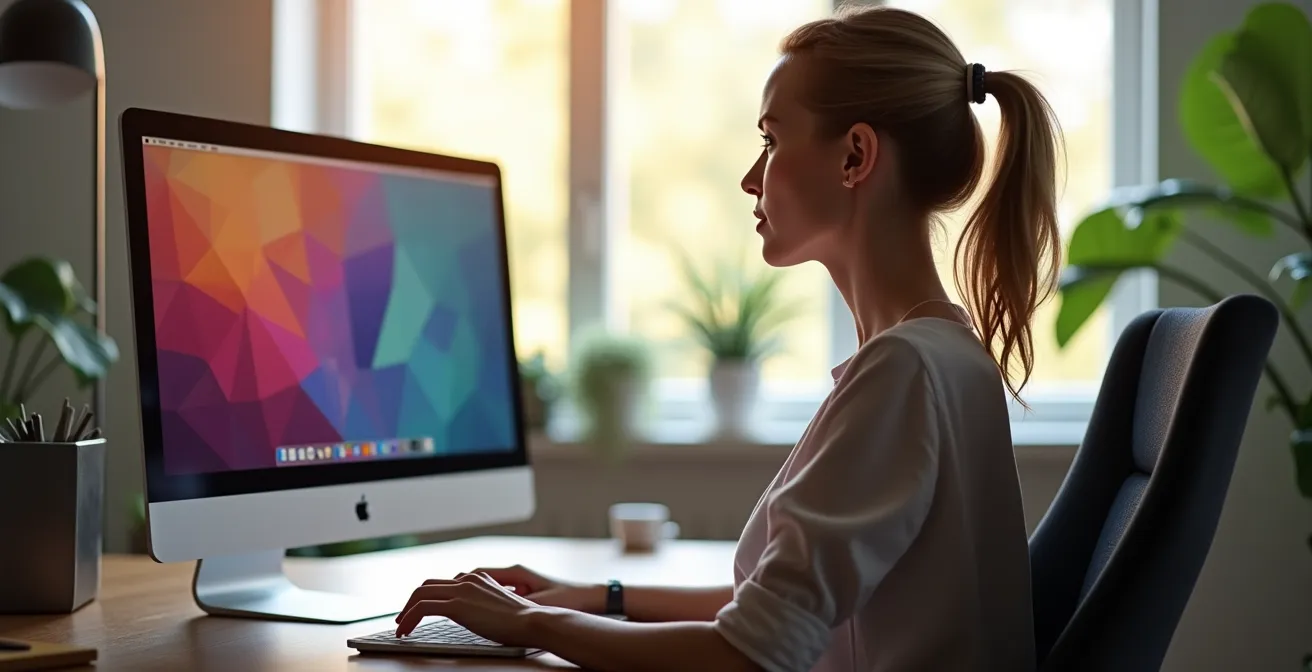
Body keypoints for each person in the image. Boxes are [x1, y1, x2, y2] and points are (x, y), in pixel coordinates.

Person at [392, 4, 1062, 671]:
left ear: (855, 155)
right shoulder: (943, 355)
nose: (750, 176)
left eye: (771, 140)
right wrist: (597, 597)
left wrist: (533, 622)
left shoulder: (903, 372)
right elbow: (769, 605)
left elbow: (749, 653)